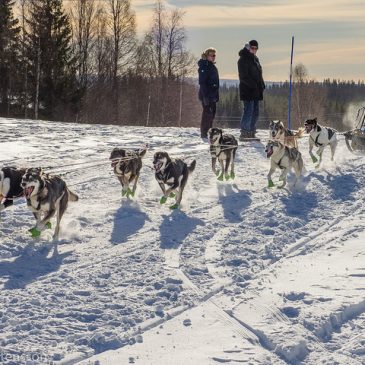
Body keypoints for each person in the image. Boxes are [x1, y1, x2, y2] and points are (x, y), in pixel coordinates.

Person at [237, 40, 265, 141]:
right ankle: (244, 132)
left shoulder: (255, 59)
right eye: (252, 48)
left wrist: (262, 84)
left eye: (256, 48)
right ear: (248, 47)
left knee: (256, 112)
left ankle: (251, 132)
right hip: (247, 90)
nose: (254, 50)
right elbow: (243, 77)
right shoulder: (243, 59)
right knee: (248, 111)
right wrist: (253, 85)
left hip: (256, 91)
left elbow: (259, 74)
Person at [198, 47, 220, 139]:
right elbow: (202, 82)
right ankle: (204, 133)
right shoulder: (204, 66)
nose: (213, 57)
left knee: (212, 114)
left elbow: (215, 82)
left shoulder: (212, 66)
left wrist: (216, 95)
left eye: (214, 55)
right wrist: (205, 96)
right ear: (206, 55)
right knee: (207, 114)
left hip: (213, 95)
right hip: (206, 95)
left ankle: (209, 131)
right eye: (211, 55)